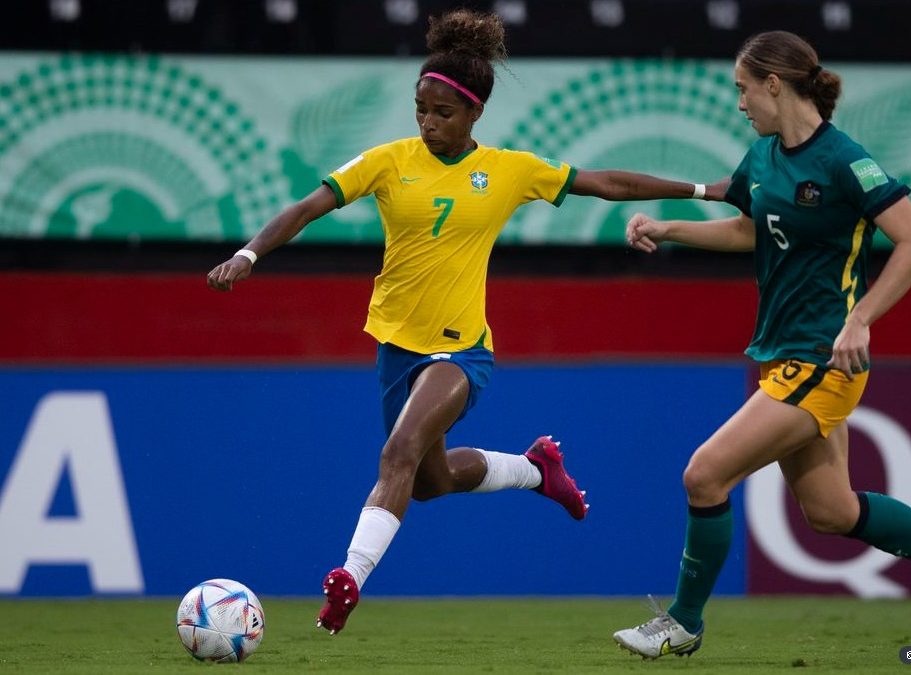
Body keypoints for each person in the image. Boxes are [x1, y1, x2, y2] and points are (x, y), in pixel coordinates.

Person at [206, 9, 725, 636]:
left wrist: (704, 190)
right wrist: (248, 253)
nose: (427, 122)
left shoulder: (508, 170)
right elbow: (307, 206)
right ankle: (537, 470)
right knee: (428, 480)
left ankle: (348, 579)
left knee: (396, 452)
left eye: (442, 113)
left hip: (461, 354)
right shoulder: (388, 160)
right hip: (396, 349)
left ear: (475, 114)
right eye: (420, 108)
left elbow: (607, 181)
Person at [612, 30, 911, 659]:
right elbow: (749, 231)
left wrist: (862, 320)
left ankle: (683, 623)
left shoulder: (847, 161)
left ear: (775, 83)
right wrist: (670, 230)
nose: (739, 103)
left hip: (825, 359)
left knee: (704, 474)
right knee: (830, 512)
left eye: (744, 89)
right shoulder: (763, 156)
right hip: (783, 355)